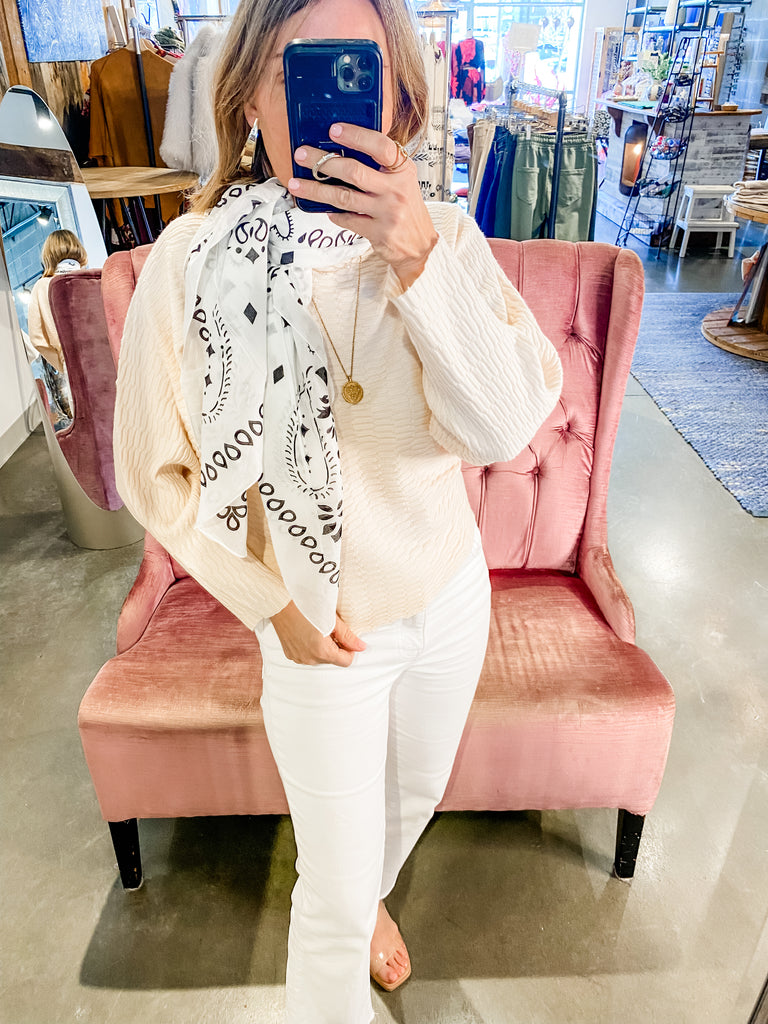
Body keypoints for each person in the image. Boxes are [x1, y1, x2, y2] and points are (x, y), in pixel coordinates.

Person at [112, 1, 563, 1021]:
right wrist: (271, 605)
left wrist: (416, 258)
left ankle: (370, 899)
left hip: (450, 595)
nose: (327, 97)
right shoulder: (190, 262)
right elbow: (154, 474)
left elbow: (499, 431)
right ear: (249, 100)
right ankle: (351, 909)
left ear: (398, 91)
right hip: (322, 632)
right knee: (325, 899)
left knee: (410, 803)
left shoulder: (448, 240)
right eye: (294, 69)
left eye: (356, 66)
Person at [27, 229, 87, 424]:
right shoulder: (94, 277)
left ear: (48, 255)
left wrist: (62, 361)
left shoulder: (42, 287)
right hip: (107, 358)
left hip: (71, 362)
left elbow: (37, 339)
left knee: (88, 422)